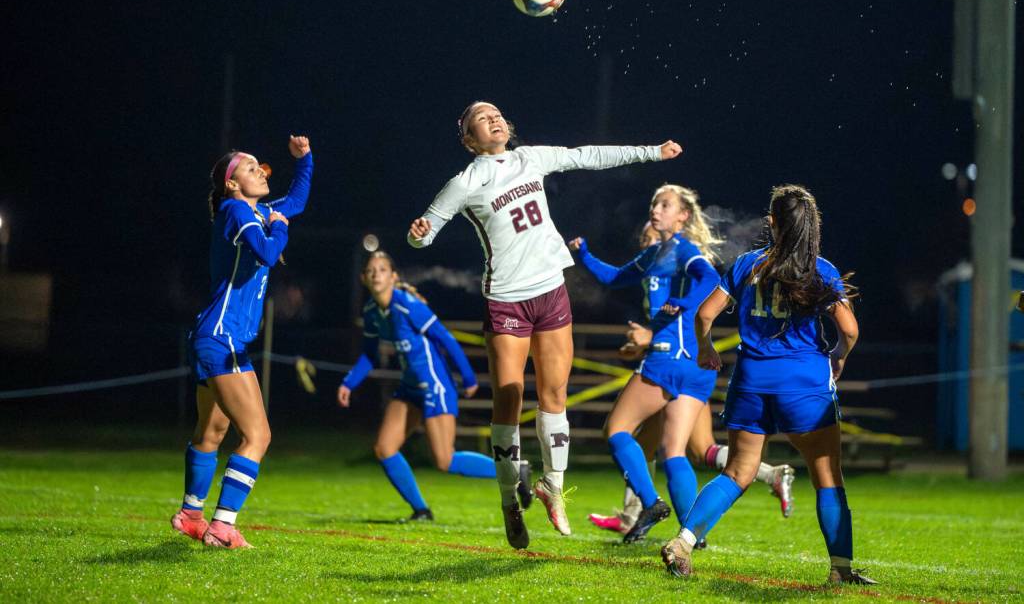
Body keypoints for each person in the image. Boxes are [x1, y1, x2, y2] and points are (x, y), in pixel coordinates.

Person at [407, 101, 682, 549]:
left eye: (496, 113)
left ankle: (553, 487)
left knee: (555, 395)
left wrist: (652, 151)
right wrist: (418, 233)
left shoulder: (529, 157)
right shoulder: (466, 181)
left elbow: (587, 155)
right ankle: (508, 502)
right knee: (509, 401)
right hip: (506, 299)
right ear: (469, 138)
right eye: (482, 118)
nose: (493, 119)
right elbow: (423, 232)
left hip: (551, 290)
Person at [661, 184, 876, 585]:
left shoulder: (745, 265)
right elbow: (849, 329)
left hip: (752, 381)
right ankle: (840, 569)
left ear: (773, 223)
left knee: (737, 472)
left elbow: (705, 316)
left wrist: (707, 348)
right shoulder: (820, 269)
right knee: (827, 475)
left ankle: (684, 541)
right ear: (811, 225)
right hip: (804, 384)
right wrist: (838, 357)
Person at [572, 218, 794, 537]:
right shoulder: (654, 265)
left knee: (645, 441)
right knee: (689, 449)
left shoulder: (680, 263)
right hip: (689, 362)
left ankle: (642, 512)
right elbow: (617, 279)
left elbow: (691, 304)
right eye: (644, 237)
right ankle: (685, 529)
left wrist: (655, 337)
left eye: (651, 235)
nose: (646, 240)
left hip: (676, 360)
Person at [171, 136, 313, 549]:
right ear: (232, 184)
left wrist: (304, 161)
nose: (260, 172)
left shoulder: (256, 211)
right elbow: (269, 253)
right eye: (251, 168)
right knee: (258, 436)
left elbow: (297, 201)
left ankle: (191, 515)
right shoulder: (237, 211)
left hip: (213, 336)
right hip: (223, 339)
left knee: (211, 432)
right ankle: (223, 526)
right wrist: (281, 230)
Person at [337, 251, 530, 520]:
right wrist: (349, 382)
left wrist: (468, 377)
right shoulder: (372, 312)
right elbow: (370, 354)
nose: (376, 274)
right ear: (363, 278)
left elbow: (446, 338)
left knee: (444, 460)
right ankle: (421, 511)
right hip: (410, 387)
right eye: (371, 270)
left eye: (382, 269)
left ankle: (515, 469)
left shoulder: (408, 304)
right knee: (384, 449)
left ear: (393, 277)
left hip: (434, 385)